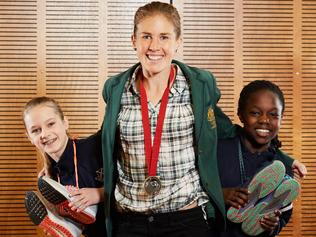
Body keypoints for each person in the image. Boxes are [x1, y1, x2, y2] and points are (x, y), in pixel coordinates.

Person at [100, 2, 305, 237]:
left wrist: (284, 159)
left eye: (164, 37)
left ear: (178, 42)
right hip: (131, 221)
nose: (154, 46)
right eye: (146, 36)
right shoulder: (116, 89)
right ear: (133, 40)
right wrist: (62, 151)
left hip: (187, 219)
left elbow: (231, 131)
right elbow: (104, 141)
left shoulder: (199, 86)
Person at [216, 80, 302, 237]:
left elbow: (283, 213)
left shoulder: (283, 167)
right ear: (241, 114)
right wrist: (220, 194)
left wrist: (272, 225)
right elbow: (192, 189)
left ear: (282, 118)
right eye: (255, 113)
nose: (264, 120)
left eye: (273, 114)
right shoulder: (220, 149)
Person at [23, 96, 106, 237]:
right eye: (36, 130)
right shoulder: (50, 178)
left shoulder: (96, 145)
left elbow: (135, 181)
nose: (44, 134)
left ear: (65, 122)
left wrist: (100, 194)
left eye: (50, 124)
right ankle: (69, 224)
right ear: (29, 137)